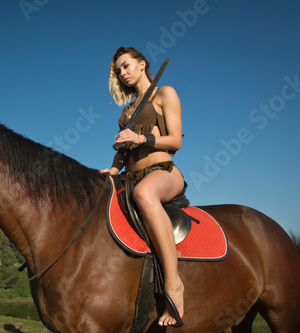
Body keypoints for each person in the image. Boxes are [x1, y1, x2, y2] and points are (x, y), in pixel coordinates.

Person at [100, 46, 185, 327]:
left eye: (126, 66)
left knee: (145, 193)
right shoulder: (127, 112)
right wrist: (112, 170)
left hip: (163, 172)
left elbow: (175, 141)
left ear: (142, 64)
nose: (122, 73)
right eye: (118, 70)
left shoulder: (165, 94)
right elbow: (123, 153)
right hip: (131, 175)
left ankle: (174, 285)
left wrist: (141, 139)